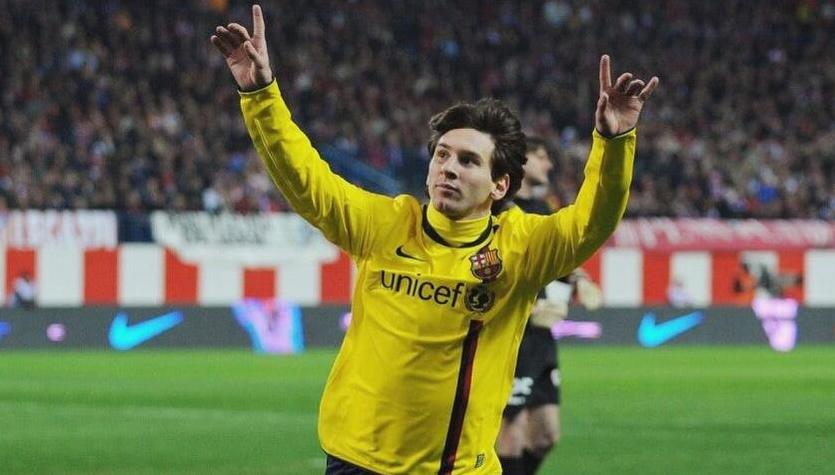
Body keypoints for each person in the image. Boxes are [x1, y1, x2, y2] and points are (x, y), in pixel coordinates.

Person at [211, 6, 658, 474]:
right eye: (442, 155)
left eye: (468, 160)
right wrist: (260, 94)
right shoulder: (385, 225)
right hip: (354, 462)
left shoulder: (521, 247)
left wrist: (613, 142)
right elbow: (305, 180)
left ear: (500, 185)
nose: (448, 167)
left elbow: (593, 221)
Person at [496, 139, 599, 475]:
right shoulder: (500, 210)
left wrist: (579, 279)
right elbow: (488, 271)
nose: (549, 165)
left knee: (546, 435)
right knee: (509, 434)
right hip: (511, 337)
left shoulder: (542, 210)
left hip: (541, 340)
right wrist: (528, 311)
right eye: (542, 157)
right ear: (522, 162)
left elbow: (556, 257)